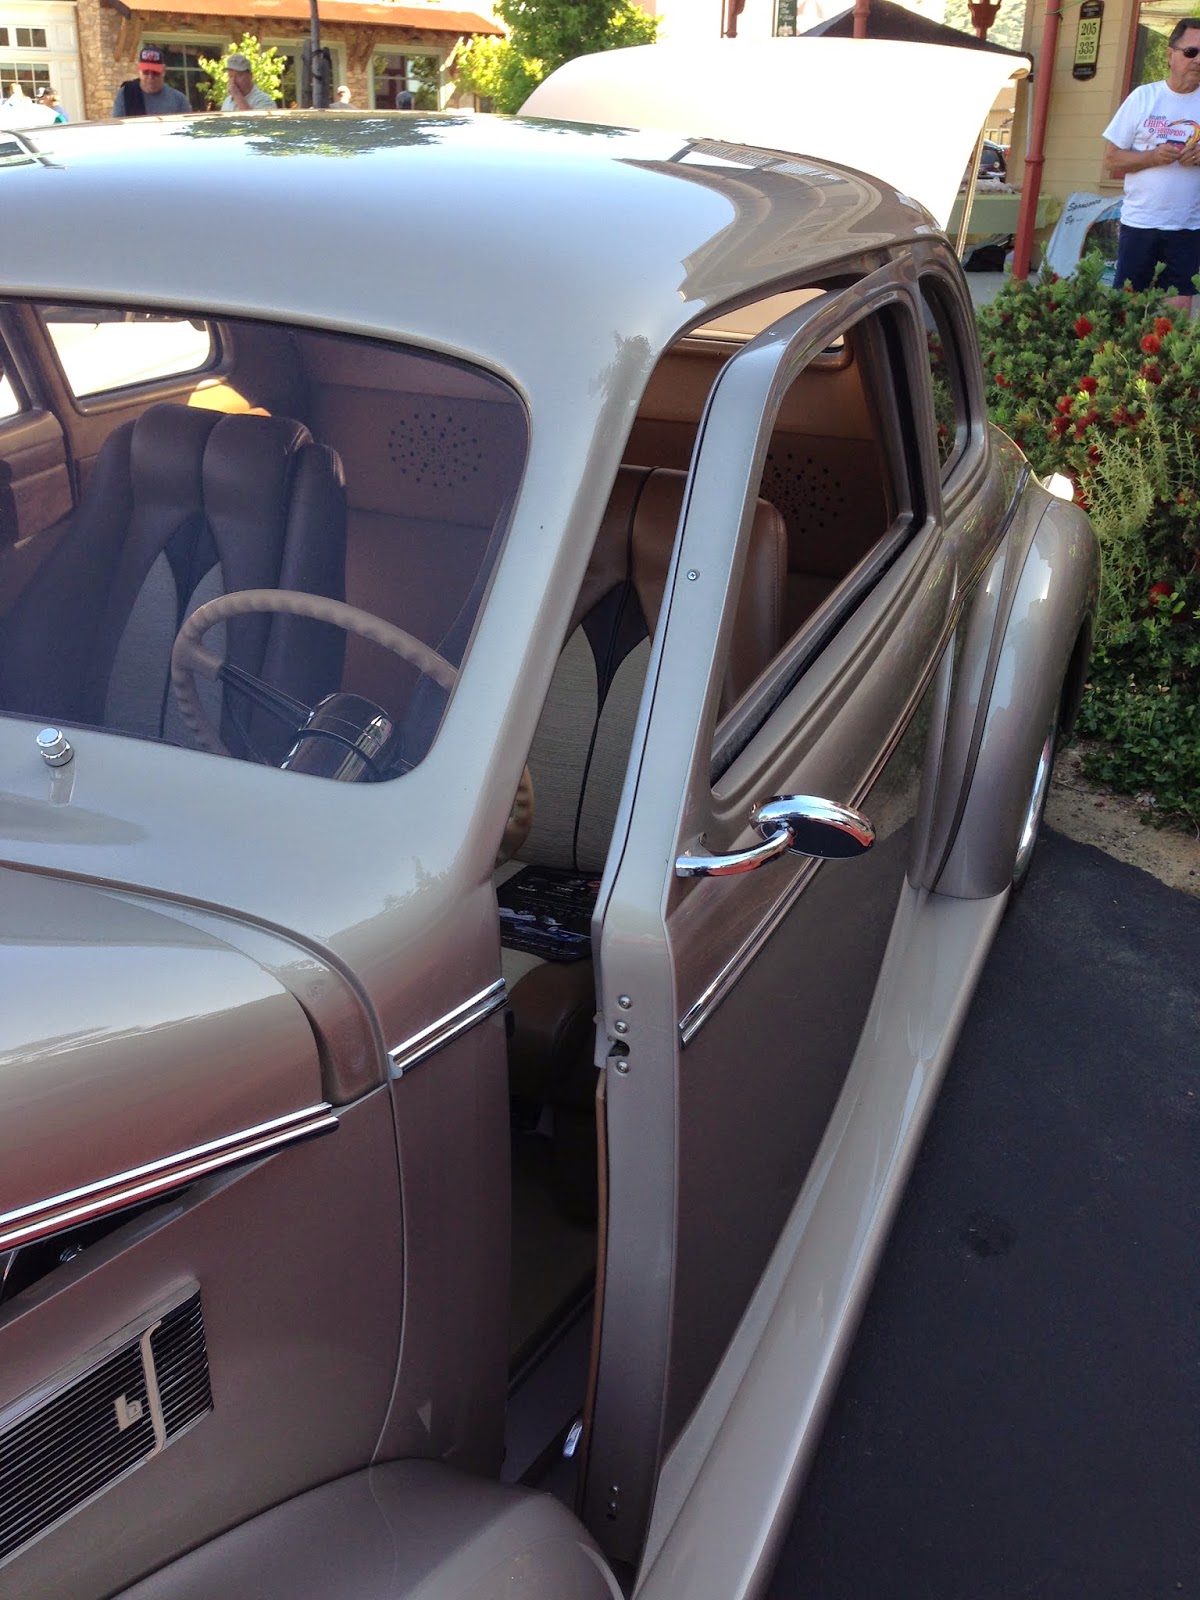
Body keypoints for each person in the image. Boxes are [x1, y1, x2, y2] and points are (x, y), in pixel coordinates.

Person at [1103, 16, 1200, 308]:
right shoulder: (1143, 98)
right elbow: (1111, 159)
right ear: (1170, 55)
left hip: (1188, 226)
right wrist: (1152, 157)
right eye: (1191, 52)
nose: (1198, 60)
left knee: (1177, 311)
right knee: (1128, 308)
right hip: (1141, 223)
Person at [112, 47, 190, 117]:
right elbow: (117, 125)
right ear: (139, 70)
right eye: (146, 72)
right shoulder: (126, 94)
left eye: (155, 72)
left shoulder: (179, 100)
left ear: (163, 71)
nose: (150, 77)